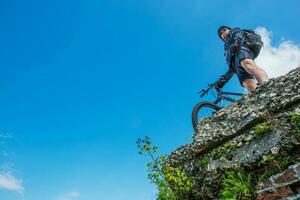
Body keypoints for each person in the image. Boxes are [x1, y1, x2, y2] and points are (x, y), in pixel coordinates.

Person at [214, 26, 269, 92]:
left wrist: (236, 42)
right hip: (235, 64)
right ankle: (258, 96)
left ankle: (267, 86)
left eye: (224, 30)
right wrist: (223, 81)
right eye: (221, 34)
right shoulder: (226, 48)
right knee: (246, 81)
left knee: (248, 65)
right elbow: (231, 68)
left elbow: (238, 35)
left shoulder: (234, 31)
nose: (223, 33)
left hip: (241, 50)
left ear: (229, 29)